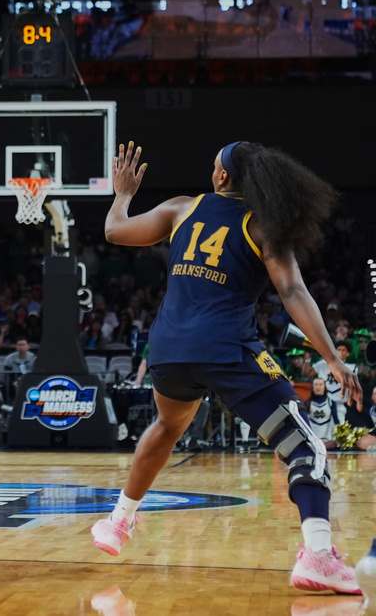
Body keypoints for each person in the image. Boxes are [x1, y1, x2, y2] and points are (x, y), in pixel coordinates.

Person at [90, 140, 362, 594]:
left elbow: (115, 231)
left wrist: (122, 192)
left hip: (169, 349)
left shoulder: (181, 208)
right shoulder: (262, 227)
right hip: (226, 350)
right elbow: (293, 292)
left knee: (166, 426)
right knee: (306, 449)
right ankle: (318, 556)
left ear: (221, 178)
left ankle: (118, 522)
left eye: (213, 165)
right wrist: (332, 357)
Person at [311, 341, 358, 424]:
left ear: (348, 353)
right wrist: (308, 358)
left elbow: (350, 384)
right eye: (338, 349)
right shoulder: (323, 364)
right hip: (323, 403)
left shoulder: (351, 367)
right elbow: (307, 373)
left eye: (343, 350)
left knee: (338, 432)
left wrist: (338, 364)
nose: (340, 352)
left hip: (339, 404)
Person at [305, 377, 338, 451]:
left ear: (324, 387)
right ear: (313, 387)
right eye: (316, 385)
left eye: (320, 384)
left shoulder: (331, 402)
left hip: (327, 440)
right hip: (312, 440)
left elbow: (337, 422)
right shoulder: (307, 403)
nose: (318, 387)